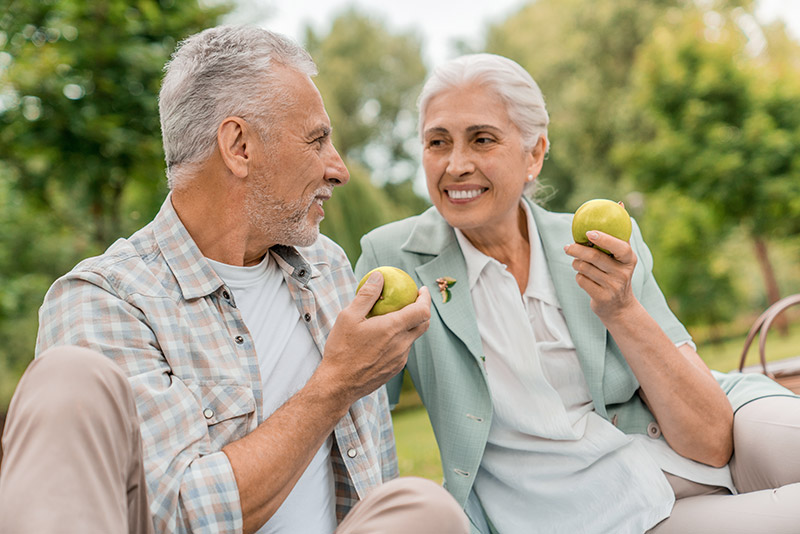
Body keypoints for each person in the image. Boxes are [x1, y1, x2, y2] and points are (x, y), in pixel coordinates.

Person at [0, 25, 470, 534]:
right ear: (239, 145)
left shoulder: (328, 268)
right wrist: (335, 383)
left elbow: (371, 477)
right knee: (67, 374)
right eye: (317, 141)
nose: (339, 169)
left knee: (425, 510)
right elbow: (177, 514)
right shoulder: (104, 301)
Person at [355, 53, 800, 534]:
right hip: (591, 508)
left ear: (534, 153)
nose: (456, 165)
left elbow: (711, 439)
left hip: (681, 447)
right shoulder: (393, 257)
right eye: (437, 142)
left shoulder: (596, 243)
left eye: (482, 139)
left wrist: (621, 308)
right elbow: (355, 406)